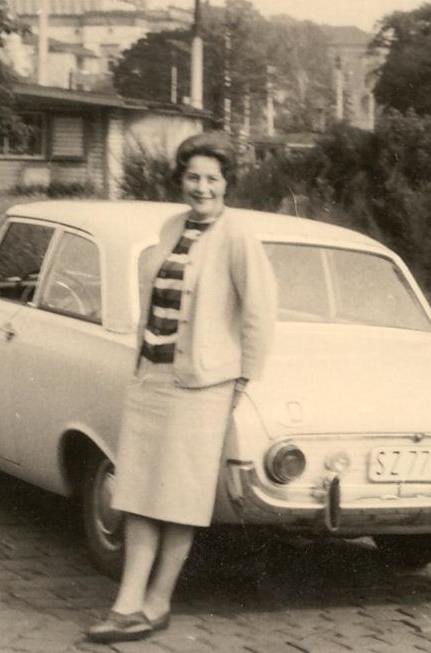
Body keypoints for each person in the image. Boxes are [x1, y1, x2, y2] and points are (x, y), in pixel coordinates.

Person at [86, 132, 278, 644]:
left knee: (179, 499)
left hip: (201, 386)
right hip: (152, 377)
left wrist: (242, 378)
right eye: (193, 177)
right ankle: (127, 602)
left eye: (212, 178)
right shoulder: (171, 227)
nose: (201, 187)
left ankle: (156, 602)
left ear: (227, 183)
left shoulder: (238, 235)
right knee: (137, 492)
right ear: (181, 180)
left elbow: (260, 311)